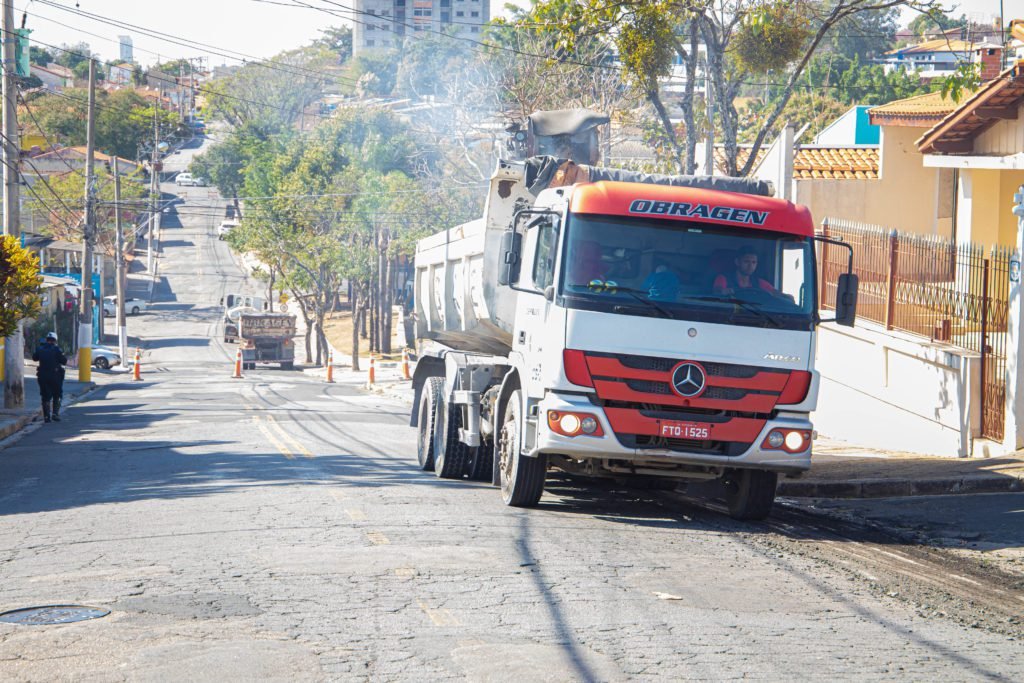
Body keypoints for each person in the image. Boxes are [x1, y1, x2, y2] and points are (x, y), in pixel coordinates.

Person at [712, 246, 780, 297]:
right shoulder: (723, 278)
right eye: (746, 261)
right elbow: (717, 291)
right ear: (737, 262)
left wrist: (784, 296)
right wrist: (723, 291)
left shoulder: (759, 282)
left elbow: (777, 293)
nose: (750, 266)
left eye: (754, 262)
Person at [32, 332, 67, 423]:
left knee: (45, 396)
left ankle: (46, 417)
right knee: (57, 394)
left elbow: (34, 358)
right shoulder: (57, 349)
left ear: (46, 339)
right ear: (55, 340)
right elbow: (64, 361)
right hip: (55, 376)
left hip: (43, 376)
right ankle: (55, 414)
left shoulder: (40, 348)